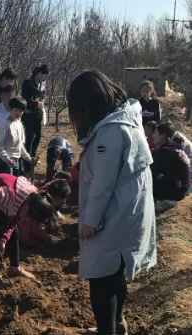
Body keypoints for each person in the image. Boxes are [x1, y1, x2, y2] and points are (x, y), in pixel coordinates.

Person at [68, 70, 156, 335]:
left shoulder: (110, 132)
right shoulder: (127, 118)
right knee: (115, 272)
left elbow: (102, 184)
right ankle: (117, 325)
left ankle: (108, 329)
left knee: (101, 279)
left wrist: (89, 221)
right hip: (129, 211)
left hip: (115, 214)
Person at [0, 174, 55, 290]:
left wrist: (4, 240)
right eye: (30, 219)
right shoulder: (9, 197)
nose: (27, 221)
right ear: (27, 209)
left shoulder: (29, 199)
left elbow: (13, 222)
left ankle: (14, 269)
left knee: (14, 232)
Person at [151, 121, 190, 211]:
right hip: (184, 188)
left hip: (177, 192)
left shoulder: (165, 152)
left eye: (155, 133)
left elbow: (152, 172)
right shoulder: (176, 148)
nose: (153, 136)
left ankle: (167, 200)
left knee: (147, 180)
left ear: (163, 135)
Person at [0, 97, 32, 175]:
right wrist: (7, 160)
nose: (18, 113)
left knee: (15, 183)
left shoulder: (19, 124)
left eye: (21, 111)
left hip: (16, 161)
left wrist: (28, 158)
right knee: (7, 185)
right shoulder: (5, 124)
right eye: (16, 110)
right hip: (5, 162)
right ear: (10, 109)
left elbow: (20, 145)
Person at [21, 64, 49, 158]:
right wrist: (36, 103)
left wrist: (42, 101)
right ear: (40, 73)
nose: (45, 78)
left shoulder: (42, 84)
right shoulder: (27, 83)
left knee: (38, 135)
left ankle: (33, 155)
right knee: (30, 135)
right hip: (27, 112)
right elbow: (25, 99)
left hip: (37, 113)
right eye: (45, 75)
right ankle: (26, 156)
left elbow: (43, 96)